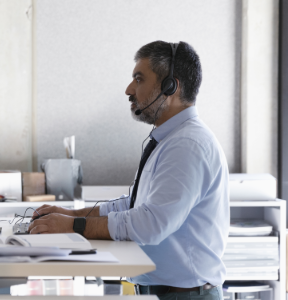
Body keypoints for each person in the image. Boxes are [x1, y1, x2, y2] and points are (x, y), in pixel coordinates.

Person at [28, 41, 229, 300]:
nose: (129, 89)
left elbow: (150, 225)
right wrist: (70, 214)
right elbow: (135, 205)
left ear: (171, 87)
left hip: (184, 295)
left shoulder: (187, 145)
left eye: (139, 79)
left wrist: (74, 225)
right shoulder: (170, 140)